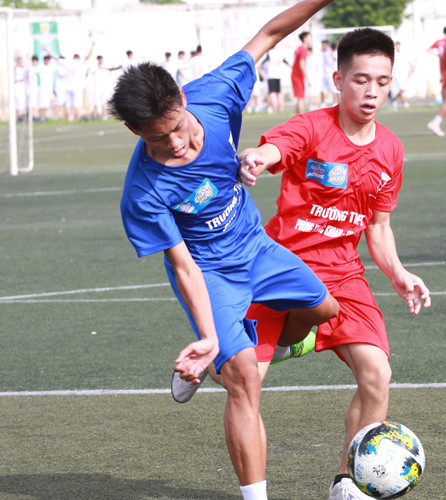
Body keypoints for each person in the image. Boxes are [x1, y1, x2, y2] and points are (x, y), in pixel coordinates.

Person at [107, 2, 337, 499]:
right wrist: (209, 336)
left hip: (257, 246)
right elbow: (183, 266)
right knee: (244, 380)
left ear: (182, 98)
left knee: (324, 310)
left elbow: (269, 34)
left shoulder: (214, 93)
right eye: (157, 139)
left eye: (177, 127)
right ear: (134, 131)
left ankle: (235, 358)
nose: (175, 144)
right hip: (211, 272)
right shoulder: (143, 192)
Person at [239, 27, 431, 500]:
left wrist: (399, 273)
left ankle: (346, 481)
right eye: (361, 80)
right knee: (244, 382)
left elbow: (378, 227)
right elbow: (276, 148)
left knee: (377, 376)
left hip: (343, 274)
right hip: (280, 269)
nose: (371, 92)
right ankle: (220, 352)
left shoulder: (390, 149)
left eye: (382, 82)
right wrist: (257, 158)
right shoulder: (311, 127)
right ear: (339, 80)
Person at [291, 30, 312, 113]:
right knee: (301, 98)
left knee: (300, 98)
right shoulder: (303, 49)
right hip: (298, 76)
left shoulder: (299, 48)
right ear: (304, 38)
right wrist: (307, 78)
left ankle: (298, 116)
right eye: (310, 37)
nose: (311, 39)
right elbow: (301, 64)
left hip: (295, 75)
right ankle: (300, 117)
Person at [391, 40, 414, 109]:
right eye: (396, 46)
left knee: (402, 89)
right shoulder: (394, 55)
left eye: (398, 46)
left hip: (403, 75)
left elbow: (408, 61)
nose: (398, 47)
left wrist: (412, 68)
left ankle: (394, 100)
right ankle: (405, 102)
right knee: (401, 89)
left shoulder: (403, 54)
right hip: (396, 75)